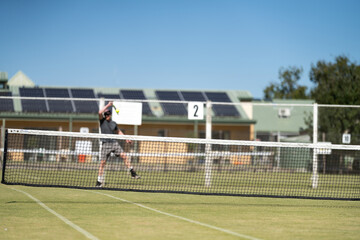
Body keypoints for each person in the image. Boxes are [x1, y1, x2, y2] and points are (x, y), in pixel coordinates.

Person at [96, 101, 140, 187]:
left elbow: (118, 131)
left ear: (111, 114)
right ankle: (99, 181)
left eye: (108, 114)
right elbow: (99, 112)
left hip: (114, 143)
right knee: (102, 163)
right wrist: (108, 105)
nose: (107, 116)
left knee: (124, 155)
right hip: (105, 144)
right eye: (106, 114)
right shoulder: (102, 121)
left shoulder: (113, 123)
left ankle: (132, 172)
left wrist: (126, 138)